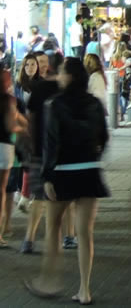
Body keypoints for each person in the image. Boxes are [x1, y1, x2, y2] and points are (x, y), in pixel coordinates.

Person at [25, 57, 108, 305]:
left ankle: (49, 280)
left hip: (62, 171)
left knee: (53, 227)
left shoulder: (55, 104)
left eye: (61, 72)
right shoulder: (93, 103)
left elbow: (51, 143)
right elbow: (104, 137)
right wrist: (93, 156)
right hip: (90, 171)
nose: (58, 76)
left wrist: (48, 175)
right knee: (85, 234)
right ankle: (85, 289)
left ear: (69, 76)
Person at [19, 52, 62, 255]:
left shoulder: (41, 88)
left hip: (43, 151)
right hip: (56, 151)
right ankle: (54, 241)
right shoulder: (63, 89)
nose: (42, 66)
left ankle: (30, 239)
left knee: (40, 196)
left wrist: (30, 145)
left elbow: (30, 119)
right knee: (56, 198)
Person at [0, 66, 27, 248]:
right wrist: (25, 129)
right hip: (3, 147)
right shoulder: (9, 100)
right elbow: (11, 125)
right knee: (1, 191)